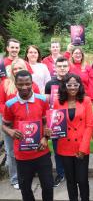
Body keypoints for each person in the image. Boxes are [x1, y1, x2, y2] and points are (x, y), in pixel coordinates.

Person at [2, 70, 53, 201]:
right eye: (20, 84)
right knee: (25, 188)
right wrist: (10, 132)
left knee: (48, 186)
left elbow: (47, 123)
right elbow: (4, 125)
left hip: (42, 152)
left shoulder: (42, 100)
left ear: (32, 83)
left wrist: (45, 138)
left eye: (27, 83)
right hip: (22, 155)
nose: (24, 87)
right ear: (15, 84)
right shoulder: (10, 104)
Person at [0, 58, 40, 190]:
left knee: (29, 146)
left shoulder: (32, 84)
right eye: (15, 69)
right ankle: (15, 178)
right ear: (11, 71)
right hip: (10, 122)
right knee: (11, 151)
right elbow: (1, 103)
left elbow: (39, 102)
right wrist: (9, 111)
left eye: (20, 68)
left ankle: (29, 173)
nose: (17, 71)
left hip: (29, 122)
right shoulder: (5, 83)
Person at [54, 73, 93, 201]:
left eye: (75, 84)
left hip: (81, 147)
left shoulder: (86, 100)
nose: (72, 87)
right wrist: (51, 130)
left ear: (79, 86)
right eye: (69, 84)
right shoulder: (57, 102)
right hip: (65, 147)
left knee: (82, 180)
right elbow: (55, 124)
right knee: (70, 181)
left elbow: (89, 126)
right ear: (64, 86)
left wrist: (83, 148)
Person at [45, 57, 70, 187]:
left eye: (64, 66)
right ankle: (61, 174)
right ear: (55, 67)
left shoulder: (72, 81)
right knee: (58, 149)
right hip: (56, 122)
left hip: (71, 120)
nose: (62, 68)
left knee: (72, 148)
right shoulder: (50, 84)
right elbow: (47, 103)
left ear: (68, 67)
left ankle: (72, 174)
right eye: (59, 66)